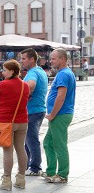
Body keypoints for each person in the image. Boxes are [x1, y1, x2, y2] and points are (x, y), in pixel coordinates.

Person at [0, 59, 29, 191]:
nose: (2, 72)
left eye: (5, 70)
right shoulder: (25, 85)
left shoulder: (4, 84)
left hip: (6, 121)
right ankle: (21, 179)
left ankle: (6, 180)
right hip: (22, 121)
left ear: (12, 71)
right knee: (21, 149)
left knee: (8, 150)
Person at [44, 48, 76, 183]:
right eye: (51, 58)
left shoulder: (63, 74)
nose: (51, 61)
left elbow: (61, 97)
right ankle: (51, 171)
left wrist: (52, 114)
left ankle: (62, 174)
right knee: (48, 143)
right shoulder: (65, 73)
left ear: (62, 59)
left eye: (53, 59)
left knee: (59, 145)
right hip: (61, 114)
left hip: (60, 115)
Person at [20, 48, 48, 176]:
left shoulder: (32, 73)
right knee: (28, 140)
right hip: (38, 109)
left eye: (24, 58)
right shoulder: (40, 71)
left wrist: (22, 95)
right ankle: (26, 165)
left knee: (32, 139)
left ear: (32, 59)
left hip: (33, 110)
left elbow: (30, 86)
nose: (22, 61)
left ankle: (35, 167)